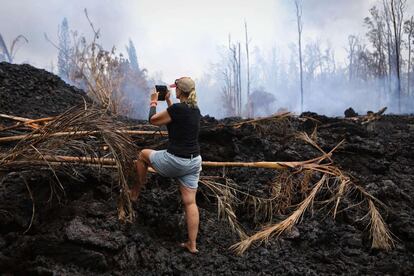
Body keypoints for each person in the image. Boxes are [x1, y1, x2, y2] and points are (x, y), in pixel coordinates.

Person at [130, 77, 202, 253]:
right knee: (190, 202)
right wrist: (169, 100)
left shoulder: (178, 109)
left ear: (179, 91)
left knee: (142, 155)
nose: (174, 91)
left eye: (175, 89)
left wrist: (154, 101)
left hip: (175, 161)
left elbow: (153, 120)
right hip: (193, 162)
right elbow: (176, 116)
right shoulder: (195, 110)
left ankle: (135, 193)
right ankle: (192, 244)